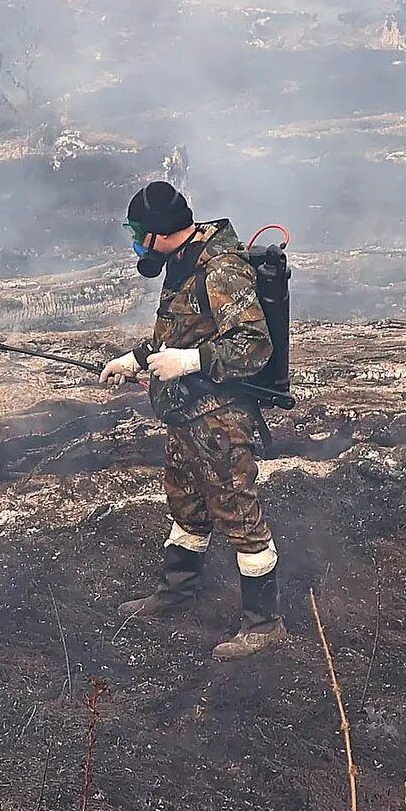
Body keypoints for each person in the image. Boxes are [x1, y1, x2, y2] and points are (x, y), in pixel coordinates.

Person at [101, 181, 285, 658]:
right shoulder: (182, 261)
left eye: (140, 233)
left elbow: (253, 346)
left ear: (162, 233)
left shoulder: (221, 270)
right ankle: (178, 590)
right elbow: (180, 331)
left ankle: (264, 624)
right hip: (187, 417)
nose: (137, 243)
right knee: (187, 507)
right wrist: (136, 359)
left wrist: (189, 364)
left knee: (240, 518)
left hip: (221, 421)